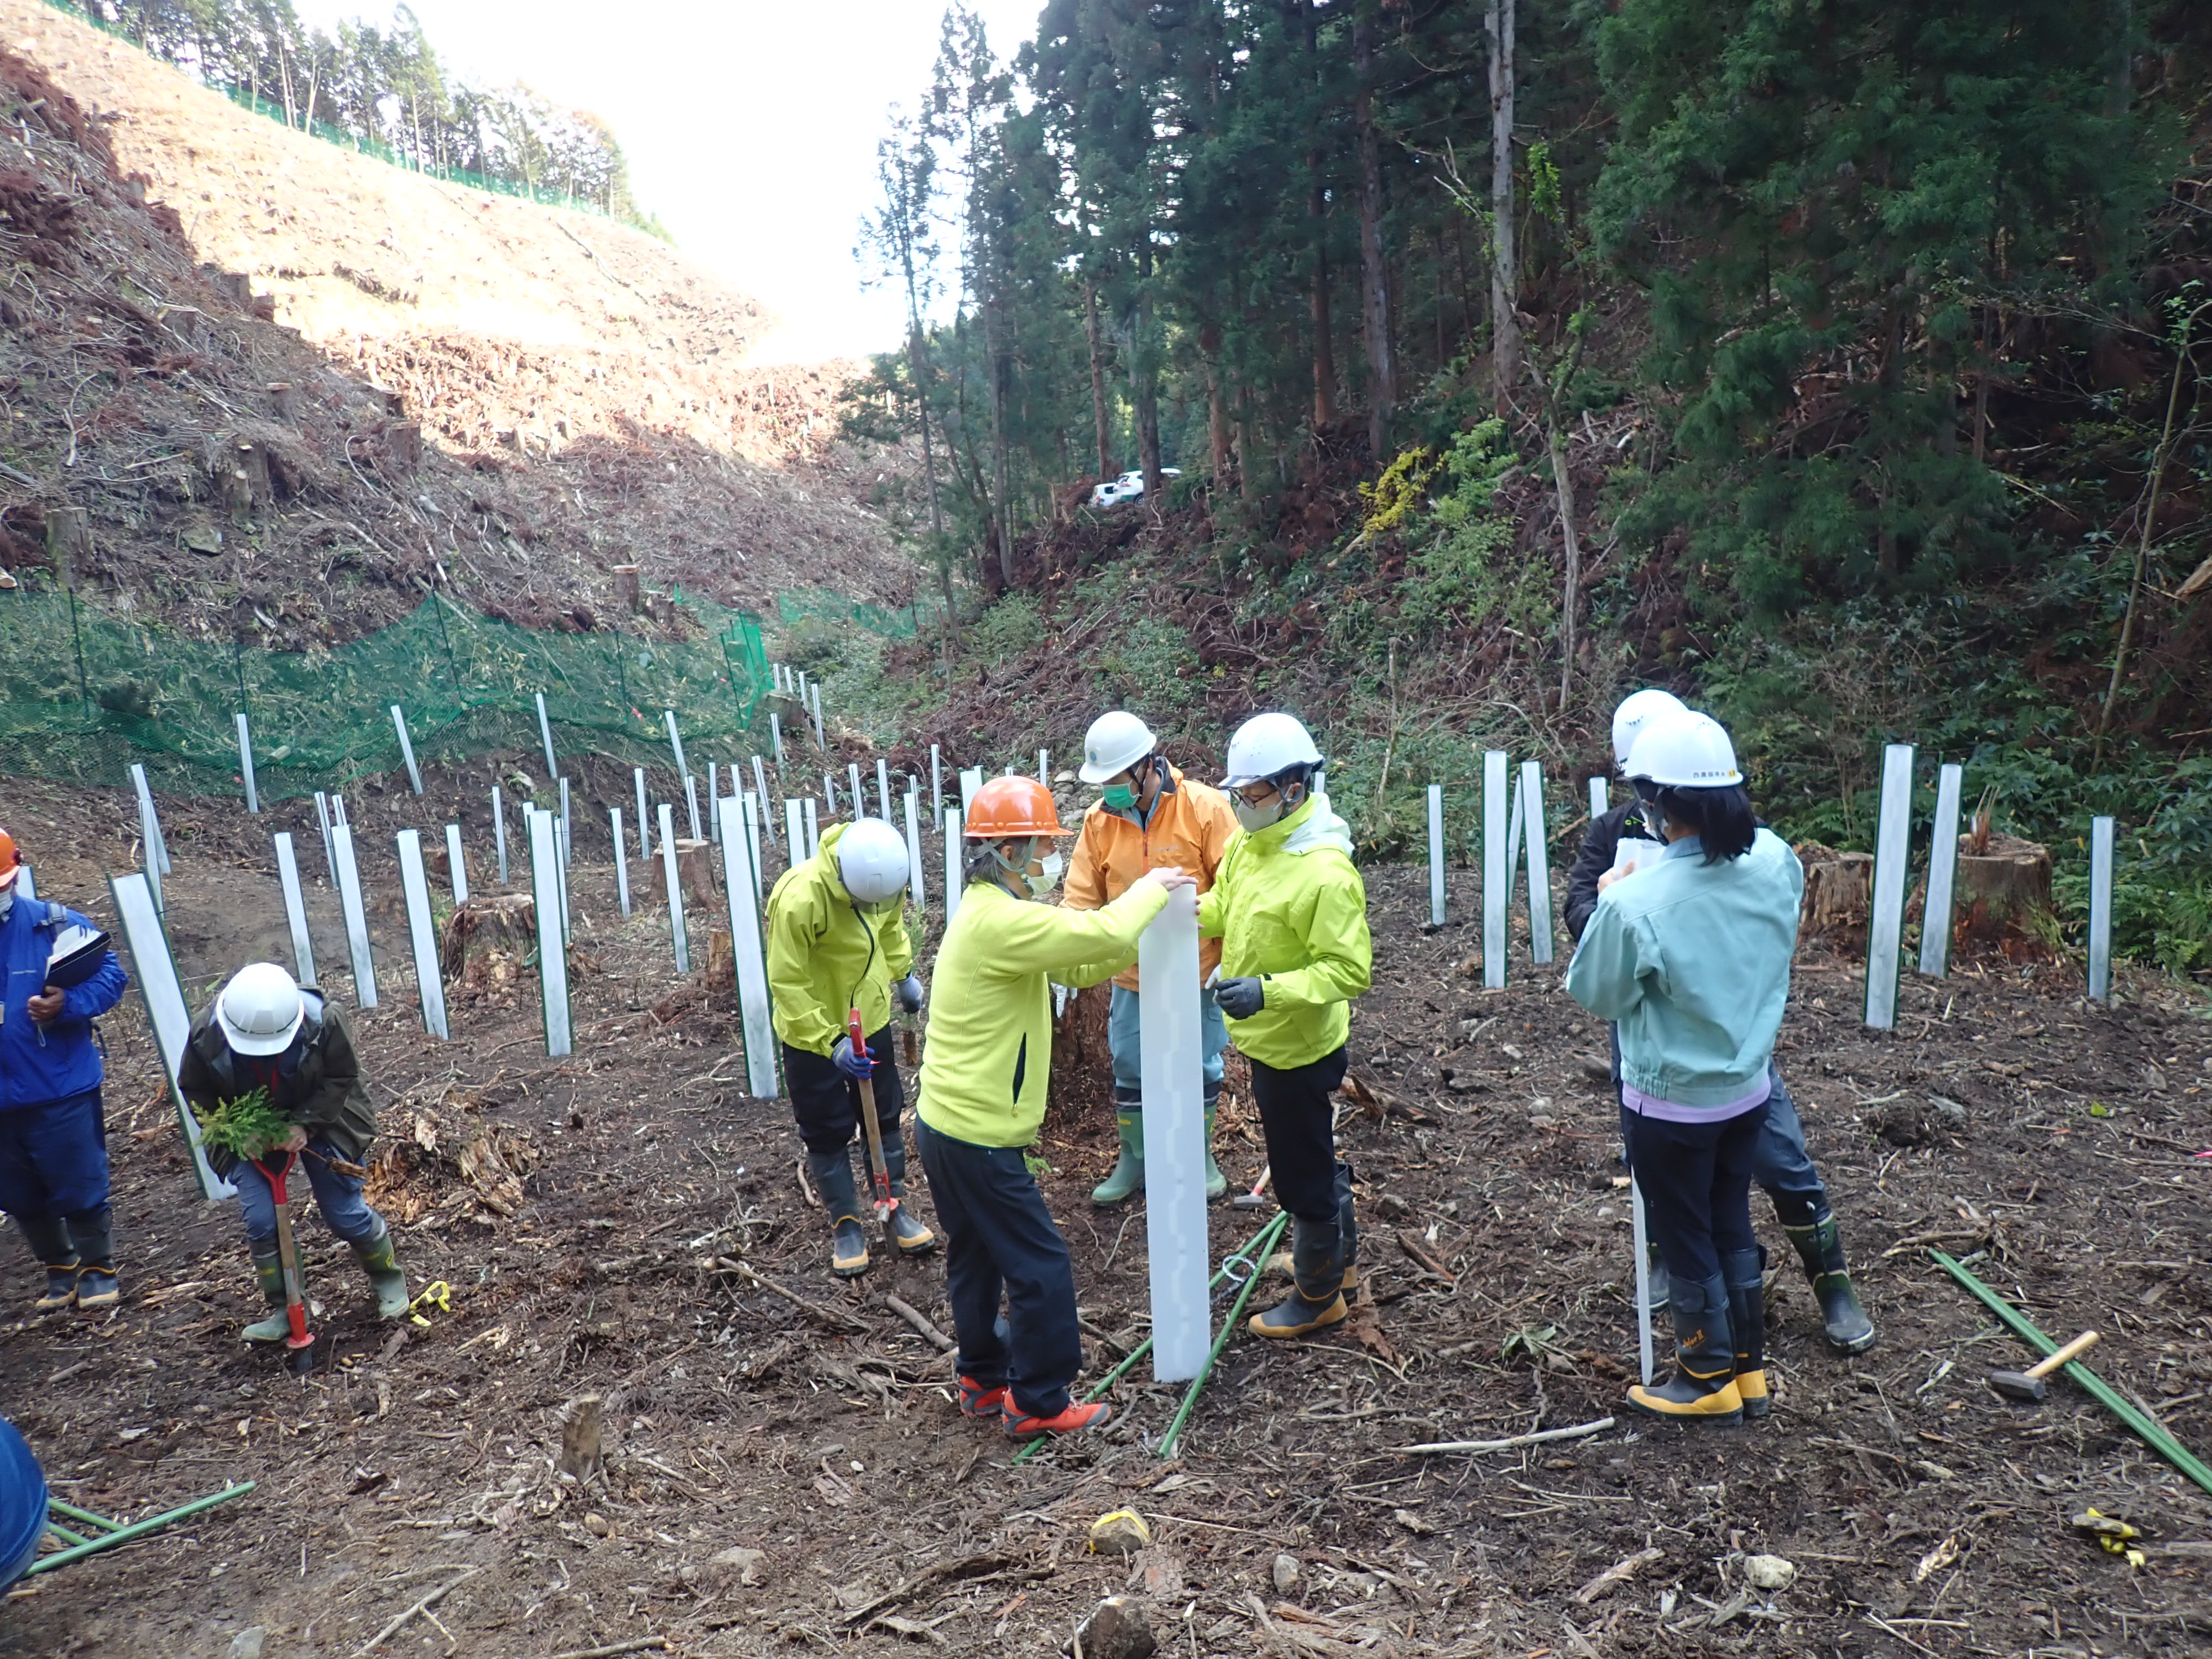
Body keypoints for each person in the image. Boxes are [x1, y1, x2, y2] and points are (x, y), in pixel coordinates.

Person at [1566, 690, 1874, 1355]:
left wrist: (1628, 912)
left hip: (1726, 1051)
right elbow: (1581, 915)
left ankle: (1820, 1294)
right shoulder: (1625, 835)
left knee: (1778, 1167)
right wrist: (1607, 913)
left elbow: (1596, 981)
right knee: (1684, 1195)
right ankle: (1713, 1322)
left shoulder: (1739, 860)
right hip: (1668, 1042)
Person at [916, 775, 1192, 1440]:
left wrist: (1140, 935)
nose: (1046, 858)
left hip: (945, 1123)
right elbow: (1093, 937)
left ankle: (983, 1378)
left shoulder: (987, 914)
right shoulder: (1002, 921)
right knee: (1041, 1266)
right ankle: (1038, 1400)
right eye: (1040, 846)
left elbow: (1074, 964)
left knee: (975, 1256)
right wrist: (1151, 891)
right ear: (1007, 852)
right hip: (980, 1133)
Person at [1566, 712, 1802, 1425]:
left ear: (1658, 803)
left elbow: (1596, 993)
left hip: (1669, 1100)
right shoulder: (1775, 861)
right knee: (1730, 1217)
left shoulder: (1637, 901)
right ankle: (1747, 1374)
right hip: (1746, 1086)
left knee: (1685, 1228)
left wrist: (1614, 898)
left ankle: (1702, 1377)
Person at [1199, 713, 1373, 1339]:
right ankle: (1340, 1266)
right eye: (1237, 796)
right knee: (1310, 1154)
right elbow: (1228, 904)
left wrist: (1268, 992)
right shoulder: (1254, 844)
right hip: (1268, 1038)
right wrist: (1181, 911)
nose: (1242, 807)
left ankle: (1318, 1293)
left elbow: (1347, 970)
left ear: (1294, 787)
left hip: (1298, 1046)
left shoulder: (1324, 872)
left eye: (1252, 795)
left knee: (1298, 1169)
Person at [1065, 710, 1240, 1207]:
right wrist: (1066, 949)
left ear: (1145, 766)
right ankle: (1135, 1158)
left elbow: (1236, 888)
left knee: (1201, 1063)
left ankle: (1195, 1154)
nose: (1107, 791)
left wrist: (1232, 955)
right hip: (1133, 975)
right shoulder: (1099, 823)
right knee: (1130, 1064)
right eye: (1101, 782)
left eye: (1115, 779)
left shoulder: (1203, 808)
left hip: (1198, 971)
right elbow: (1080, 898)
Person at [178, 963, 407, 1339]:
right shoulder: (208, 1032)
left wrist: (305, 1124)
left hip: (327, 1111)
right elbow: (196, 1089)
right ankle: (286, 1307)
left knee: (344, 1214)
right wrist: (239, 1134)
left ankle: (387, 1277)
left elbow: (342, 1076)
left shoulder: (325, 1020)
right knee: (263, 1222)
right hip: (249, 1124)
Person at [765, 816, 935, 1277]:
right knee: (826, 1127)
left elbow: (890, 929)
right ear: (844, 881)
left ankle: (892, 1205)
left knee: (883, 1113)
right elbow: (787, 980)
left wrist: (903, 976)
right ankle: (846, 1224)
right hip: (812, 1034)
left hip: (871, 1016)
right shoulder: (800, 899)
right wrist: (830, 1041)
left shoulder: (885, 880)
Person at [0, 828, 129, 1312]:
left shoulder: (54, 925)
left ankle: (98, 1266)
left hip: (58, 1087)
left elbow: (112, 975)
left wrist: (68, 1003)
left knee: (77, 1179)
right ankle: (59, 1266)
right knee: (16, 1191)